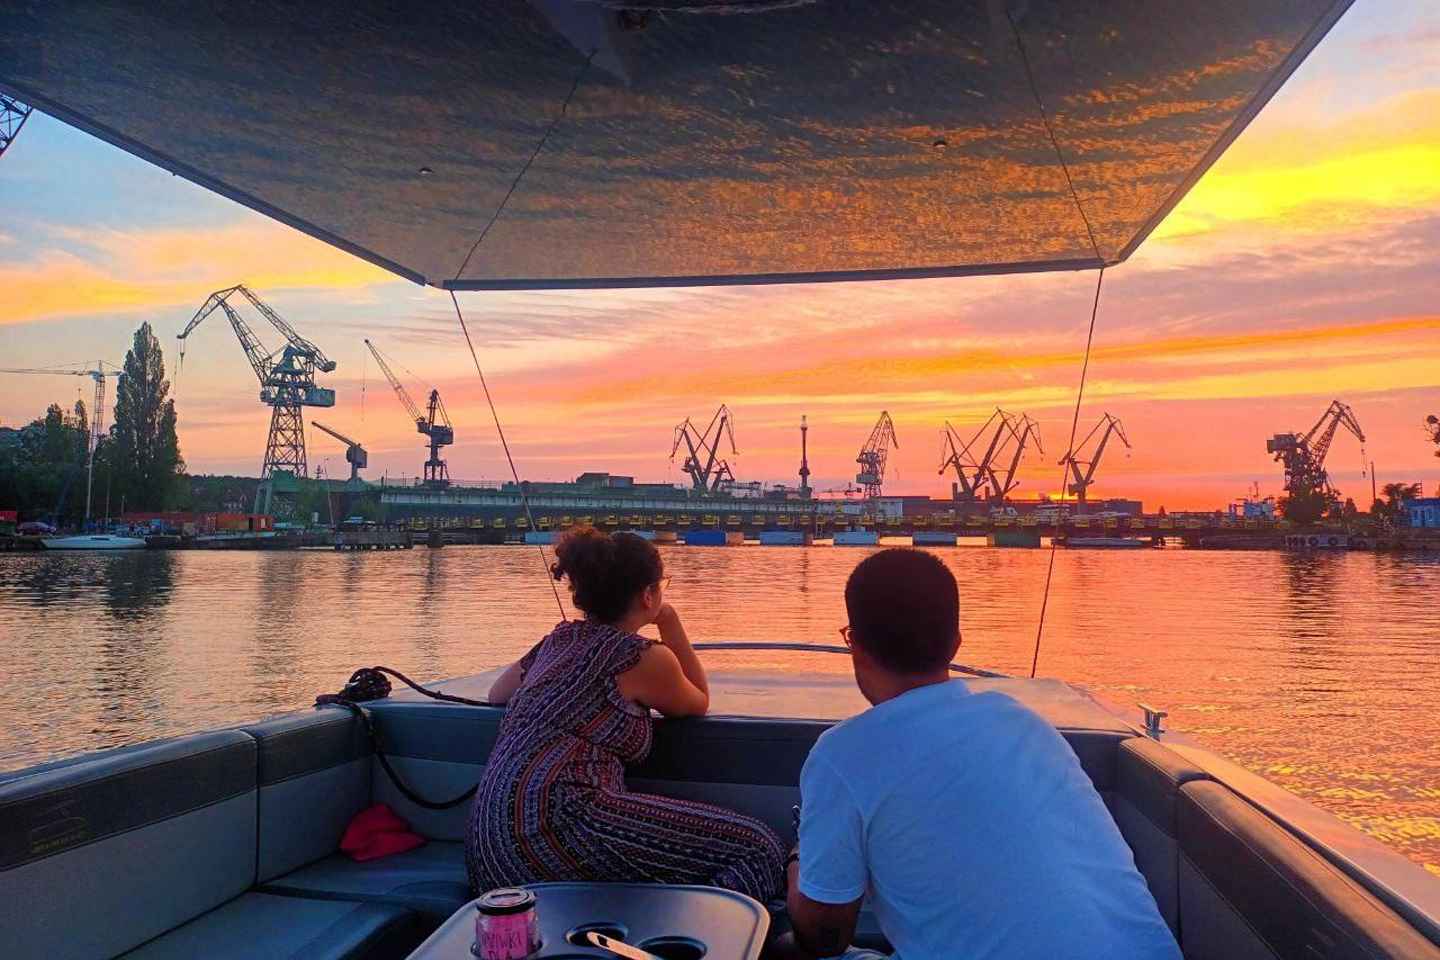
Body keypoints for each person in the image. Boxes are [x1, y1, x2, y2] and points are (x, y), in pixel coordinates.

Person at [773, 549, 1180, 960]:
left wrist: (798, 859)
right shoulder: (1026, 724)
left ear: (854, 644)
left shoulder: (843, 754)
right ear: (955, 644)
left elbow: (824, 936)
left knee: (788, 951)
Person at [466, 526, 786, 902]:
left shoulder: (559, 640)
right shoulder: (642, 657)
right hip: (554, 830)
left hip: (491, 847)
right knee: (759, 848)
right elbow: (698, 699)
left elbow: (496, 694)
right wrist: (668, 620)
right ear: (648, 594)